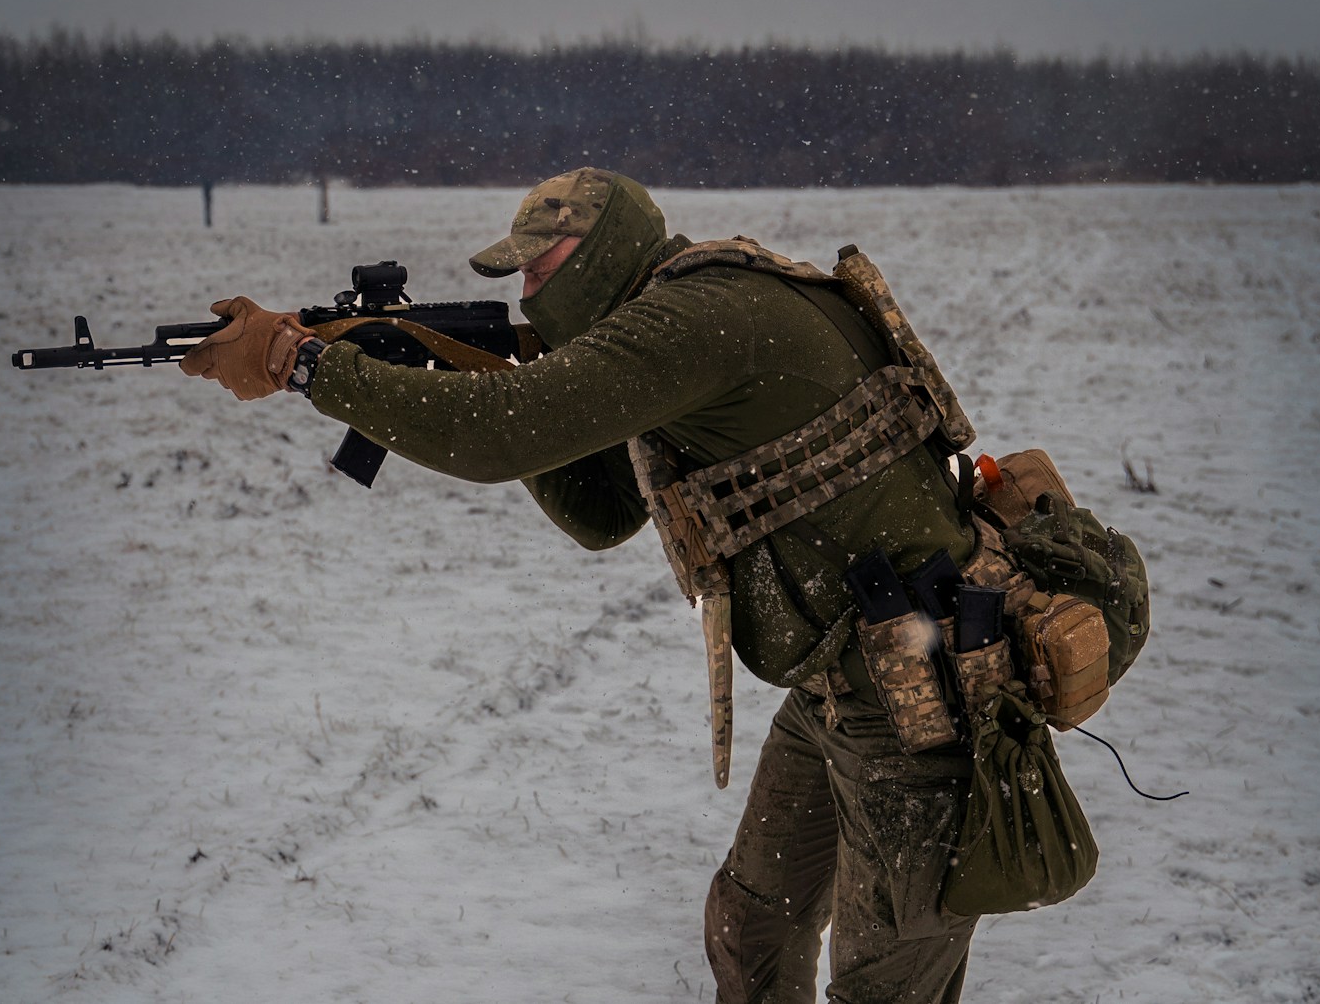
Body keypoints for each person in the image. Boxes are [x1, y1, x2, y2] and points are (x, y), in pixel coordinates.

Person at [179, 168, 982, 1003]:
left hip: (920, 697)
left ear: (606, 253)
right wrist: (480, 371)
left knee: (883, 988)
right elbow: (601, 511)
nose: (528, 289)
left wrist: (299, 363)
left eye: (540, 263)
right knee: (754, 930)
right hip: (838, 683)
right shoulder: (673, 313)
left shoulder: (691, 319)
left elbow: (492, 439)